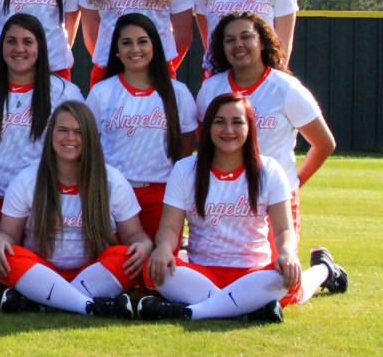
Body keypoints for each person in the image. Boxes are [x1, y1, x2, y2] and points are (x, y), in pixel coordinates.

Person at [139, 93, 346, 322]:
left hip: (253, 274)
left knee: (286, 278)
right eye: (220, 122)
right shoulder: (185, 169)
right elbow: (169, 228)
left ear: (250, 128)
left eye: (237, 122)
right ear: (208, 127)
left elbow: (284, 230)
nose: (229, 129)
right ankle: (246, 308)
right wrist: (164, 249)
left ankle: (323, 270)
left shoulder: (270, 170)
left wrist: (287, 252)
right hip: (204, 272)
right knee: (154, 270)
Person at [0, 102, 151, 317]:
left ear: (91, 138)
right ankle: (88, 304)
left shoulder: (112, 180)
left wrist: (142, 246)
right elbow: (8, 233)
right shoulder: (27, 179)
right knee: (9, 256)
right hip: (41, 271)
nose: (70, 138)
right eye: (62, 130)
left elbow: (135, 234)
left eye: (78, 132)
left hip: (93, 271)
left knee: (123, 257)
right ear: (51, 134)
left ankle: (44, 301)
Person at [196, 12, 336, 257]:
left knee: (282, 283)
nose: (238, 44)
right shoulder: (211, 88)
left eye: (246, 36)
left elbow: (324, 143)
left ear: (262, 40)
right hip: (226, 198)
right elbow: (204, 140)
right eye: (229, 40)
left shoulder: (285, 88)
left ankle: (325, 270)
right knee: (222, 268)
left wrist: (293, 182)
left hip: (275, 199)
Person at [85, 13, 197, 241]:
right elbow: (89, 149)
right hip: (111, 195)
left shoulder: (178, 93)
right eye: (126, 42)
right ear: (116, 49)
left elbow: (185, 154)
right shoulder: (101, 92)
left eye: (142, 41)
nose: (134, 49)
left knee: (159, 268)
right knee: (116, 267)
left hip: (162, 197)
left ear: (155, 45)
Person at [0, 14, 83, 231]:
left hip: (43, 204)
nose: (19, 49)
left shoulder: (66, 93)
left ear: (40, 47)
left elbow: (79, 147)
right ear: (1, 47)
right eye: (11, 41)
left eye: (28, 42)